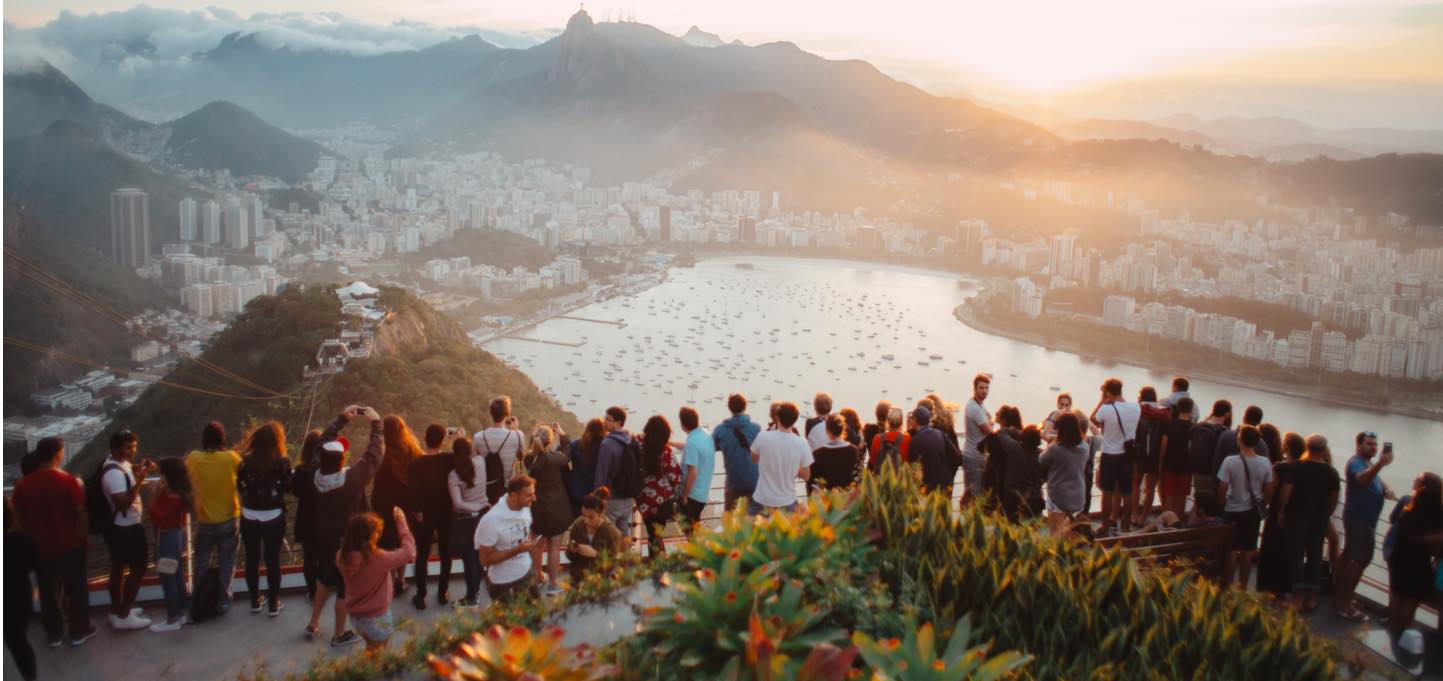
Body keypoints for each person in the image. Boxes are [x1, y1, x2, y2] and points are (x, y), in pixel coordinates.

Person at [306, 405, 384, 648]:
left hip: (325, 538)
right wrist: (376, 424)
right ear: (342, 460)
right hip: (348, 543)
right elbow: (374, 455)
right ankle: (339, 634)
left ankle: (313, 622)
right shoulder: (351, 479)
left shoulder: (315, 474)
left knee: (323, 579)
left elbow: (320, 445)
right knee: (343, 589)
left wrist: (340, 419)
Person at [11, 437, 97, 646]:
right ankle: (79, 630)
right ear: (58, 453)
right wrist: (84, 536)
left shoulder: (22, 486)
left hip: (39, 547)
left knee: (47, 591)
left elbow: (18, 521)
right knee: (76, 588)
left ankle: (54, 633)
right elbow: (80, 513)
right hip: (69, 543)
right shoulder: (67, 481)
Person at [1334, 431, 1396, 620]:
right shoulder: (1356, 462)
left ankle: (1339, 595)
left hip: (1363, 519)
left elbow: (1372, 477)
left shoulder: (1366, 462)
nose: (1374, 448)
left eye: (1375, 445)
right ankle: (1344, 604)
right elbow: (1361, 479)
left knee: (1349, 555)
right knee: (1362, 560)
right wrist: (1380, 464)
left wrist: (1385, 487)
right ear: (1359, 445)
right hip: (1360, 520)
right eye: (1369, 444)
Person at [1274, 434, 1339, 612]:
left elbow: (1285, 493)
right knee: (1315, 558)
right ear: (1323, 449)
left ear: (1307, 447)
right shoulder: (1331, 472)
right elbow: (1334, 499)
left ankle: (1296, 599)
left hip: (1296, 518)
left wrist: (1281, 512)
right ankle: (1311, 600)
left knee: (1296, 557)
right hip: (1319, 521)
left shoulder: (1296, 467)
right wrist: (1326, 515)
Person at [338, 508, 416, 653]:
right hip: (377, 618)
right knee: (379, 652)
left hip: (356, 617)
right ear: (368, 537)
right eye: (376, 532)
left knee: (371, 648)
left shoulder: (342, 556)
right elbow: (409, 552)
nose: (378, 535)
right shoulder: (377, 559)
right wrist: (402, 524)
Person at [237, 421, 293, 616]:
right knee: (272, 560)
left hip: (249, 516)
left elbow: (240, 487)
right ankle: (273, 603)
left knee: (252, 559)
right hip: (273, 517)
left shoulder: (245, 461)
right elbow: (288, 487)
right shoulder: (281, 461)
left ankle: (255, 600)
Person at [187, 421, 243, 615]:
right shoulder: (231, 458)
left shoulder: (193, 458)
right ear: (222, 439)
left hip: (205, 521)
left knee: (201, 563)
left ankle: (199, 600)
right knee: (227, 562)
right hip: (229, 519)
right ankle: (222, 601)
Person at [101, 429, 155, 630]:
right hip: (127, 527)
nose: (132, 451)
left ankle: (117, 610)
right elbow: (123, 503)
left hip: (121, 527)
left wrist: (137, 468)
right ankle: (124, 615)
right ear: (115, 449)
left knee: (119, 567)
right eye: (127, 447)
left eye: (134, 446)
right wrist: (141, 478)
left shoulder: (116, 464)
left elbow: (126, 467)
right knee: (138, 568)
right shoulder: (114, 474)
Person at [1215, 425, 1275, 590]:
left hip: (1233, 509)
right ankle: (1242, 588)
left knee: (1232, 550)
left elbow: (1222, 488)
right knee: (1248, 549)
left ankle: (1226, 586)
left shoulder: (1230, 461)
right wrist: (1263, 504)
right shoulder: (1265, 463)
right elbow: (1269, 489)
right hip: (1253, 512)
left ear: (1240, 440)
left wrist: (1223, 506)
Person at [1385, 473, 1443, 636]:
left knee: (1397, 595)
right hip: (1419, 560)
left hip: (1400, 555)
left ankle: (1391, 631)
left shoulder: (1408, 509)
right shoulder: (1438, 514)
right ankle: (1401, 632)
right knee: (1411, 598)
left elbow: (1398, 526)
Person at [476, 475, 545, 603]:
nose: (534, 499)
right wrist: (518, 550)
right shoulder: (491, 521)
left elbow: (524, 535)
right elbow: (484, 560)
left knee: (536, 619)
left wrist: (536, 569)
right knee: (508, 623)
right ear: (513, 496)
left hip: (527, 573)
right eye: (529, 495)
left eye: (533, 493)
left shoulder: (525, 508)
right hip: (502, 583)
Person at [407, 424, 454, 609]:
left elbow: (412, 492)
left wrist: (417, 511)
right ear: (442, 441)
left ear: (425, 439)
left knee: (422, 555)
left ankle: (421, 595)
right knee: (445, 554)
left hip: (424, 514)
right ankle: (442, 592)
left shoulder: (416, 463)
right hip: (446, 512)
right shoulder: (449, 459)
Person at [521, 424, 572, 594]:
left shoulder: (529, 459)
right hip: (556, 506)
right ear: (549, 442)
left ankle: (538, 576)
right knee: (554, 546)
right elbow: (568, 454)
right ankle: (553, 584)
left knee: (537, 544)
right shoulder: (553, 458)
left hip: (537, 506)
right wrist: (563, 435)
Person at [376, 415, 422, 597]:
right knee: (403, 541)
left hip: (385, 505)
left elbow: (378, 483)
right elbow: (416, 480)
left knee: (388, 545)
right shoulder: (412, 450)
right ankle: (401, 581)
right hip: (405, 507)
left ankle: (391, 581)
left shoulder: (381, 452)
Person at [1255, 431, 1304, 596]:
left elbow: (1271, 490)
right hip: (1296, 514)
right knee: (1288, 551)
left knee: (1271, 547)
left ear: (1287, 448)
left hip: (1277, 512)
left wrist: (1267, 506)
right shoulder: (1303, 468)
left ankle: (1267, 585)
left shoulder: (1280, 467)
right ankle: (1284, 586)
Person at [149, 457, 194, 632]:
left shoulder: (169, 497)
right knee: (177, 575)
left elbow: (155, 516)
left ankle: (172, 618)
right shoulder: (180, 494)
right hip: (178, 535)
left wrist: (153, 496)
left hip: (167, 538)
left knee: (167, 578)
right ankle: (182, 612)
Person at [1090, 378, 1140, 534]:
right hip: (1127, 456)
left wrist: (1102, 400)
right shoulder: (1135, 407)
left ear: (1107, 391)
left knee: (1107, 492)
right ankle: (1126, 526)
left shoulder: (1106, 409)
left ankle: (1105, 526)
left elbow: (1093, 420)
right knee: (1127, 493)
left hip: (1110, 455)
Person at [749, 402, 812, 515]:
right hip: (787, 501)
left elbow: (754, 459)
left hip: (762, 499)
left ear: (777, 417)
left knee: (749, 531)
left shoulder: (763, 437)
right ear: (795, 420)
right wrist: (792, 466)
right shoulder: (802, 443)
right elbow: (806, 476)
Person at [447, 437, 489, 608]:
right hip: (482, 516)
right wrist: (480, 505)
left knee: (469, 559)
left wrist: (473, 506)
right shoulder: (480, 461)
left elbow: (457, 503)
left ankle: (472, 597)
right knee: (478, 555)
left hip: (466, 520)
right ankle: (476, 591)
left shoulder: (454, 475)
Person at [636, 415, 683, 560]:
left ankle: (657, 563)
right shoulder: (666, 451)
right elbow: (676, 477)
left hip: (643, 498)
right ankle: (657, 565)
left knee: (652, 533)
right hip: (662, 500)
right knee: (656, 534)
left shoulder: (637, 444)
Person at [1039, 411, 1088, 537]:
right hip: (1078, 497)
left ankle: (1056, 553)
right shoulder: (1085, 447)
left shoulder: (1056, 449)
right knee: (1066, 530)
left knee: (1054, 532)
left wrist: (1054, 440)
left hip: (1059, 497)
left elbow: (1041, 459)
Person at [5, 496, 38, 679]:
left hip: (16, 596)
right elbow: (34, 566)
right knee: (18, 642)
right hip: (18, 597)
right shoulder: (21, 540)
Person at [595, 406, 637, 540]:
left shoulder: (607, 444)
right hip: (628, 496)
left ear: (618, 423)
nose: (604, 421)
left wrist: (597, 496)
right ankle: (625, 560)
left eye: (608, 419)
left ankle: (611, 561)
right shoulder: (630, 438)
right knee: (624, 531)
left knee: (608, 535)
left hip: (612, 498)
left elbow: (601, 473)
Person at [715, 394, 762, 511]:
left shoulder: (720, 430)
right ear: (745, 407)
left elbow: (713, 446)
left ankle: (729, 528)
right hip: (753, 479)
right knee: (752, 517)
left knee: (729, 514)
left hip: (733, 480)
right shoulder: (756, 428)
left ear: (729, 407)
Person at [474, 396, 525, 504]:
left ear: (491, 413)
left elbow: (475, 462)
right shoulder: (518, 435)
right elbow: (521, 457)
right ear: (507, 414)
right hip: (507, 491)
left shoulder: (478, 437)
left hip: (485, 491)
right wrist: (515, 430)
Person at [565, 489, 625, 582]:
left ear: (601, 514)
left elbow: (614, 565)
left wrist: (596, 554)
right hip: (577, 580)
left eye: (591, 517)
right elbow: (569, 556)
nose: (586, 521)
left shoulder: (612, 533)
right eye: (584, 515)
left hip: (600, 583)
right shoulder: (577, 526)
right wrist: (572, 550)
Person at [293, 429, 324, 603]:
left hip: (306, 517)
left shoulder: (300, 471)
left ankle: (312, 591)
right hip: (324, 516)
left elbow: (296, 492)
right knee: (325, 554)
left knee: (309, 556)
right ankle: (325, 587)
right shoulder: (326, 470)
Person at [1131, 386, 1170, 527]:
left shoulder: (1137, 411)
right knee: (1150, 489)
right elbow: (1165, 440)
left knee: (1135, 485)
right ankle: (1144, 517)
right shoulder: (1164, 414)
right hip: (1155, 457)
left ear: (1141, 396)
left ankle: (1134, 514)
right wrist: (1161, 460)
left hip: (1139, 455)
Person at [909, 406, 962, 498]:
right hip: (945, 484)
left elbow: (913, 467)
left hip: (928, 488)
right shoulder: (939, 434)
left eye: (912, 418)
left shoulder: (915, 441)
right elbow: (956, 458)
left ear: (916, 420)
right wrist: (949, 475)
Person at [1188, 400, 1231, 513]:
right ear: (1227, 414)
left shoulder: (1199, 426)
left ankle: (1191, 526)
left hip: (1197, 471)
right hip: (1213, 475)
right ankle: (1197, 527)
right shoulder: (1225, 432)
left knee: (1198, 501)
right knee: (1208, 507)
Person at [678, 406, 715, 533]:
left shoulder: (692, 443)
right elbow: (692, 449)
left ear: (683, 425)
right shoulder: (706, 435)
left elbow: (692, 472)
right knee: (694, 528)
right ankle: (699, 551)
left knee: (689, 531)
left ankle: (698, 552)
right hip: (703, 493)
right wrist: (670, 443)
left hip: (692, 495)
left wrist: (684, 496)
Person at [1156, 397, 1195, 519]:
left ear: (1177, 408)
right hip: (1186, 466)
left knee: (1169, 495)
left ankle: (1167, 522)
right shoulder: (1194, 427)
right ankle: (1177, 523)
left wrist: (1160, 463)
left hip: (1170, 464)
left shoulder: (1170, 424)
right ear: (1191, 410)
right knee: (1182, 496)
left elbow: (1164, 445)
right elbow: (1192, 448)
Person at [961, 374, 995, 507]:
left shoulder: (978, 404)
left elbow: (989, 419)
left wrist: (991, 420)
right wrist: (992, 422)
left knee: (970, 492)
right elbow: (990, 432)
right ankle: (970, 522)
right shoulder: (974, 408)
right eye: (981, 388)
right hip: (974, 457)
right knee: (975, 493)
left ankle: (963, 520)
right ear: (974, 388)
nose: (985, 391)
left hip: (975, 455)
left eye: (987, 388)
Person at [811, 414, 861, 491]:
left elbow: (813, 482)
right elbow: (857, 476)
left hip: (826, 499)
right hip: (847, 497)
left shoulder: (818, 454)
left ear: (827, 430)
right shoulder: (853, 450)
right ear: (843, 429)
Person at [567, 418, 605, 515]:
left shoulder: (576, 444)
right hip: (594, 490)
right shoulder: (604, 446)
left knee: (579, 521)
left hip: (576, 489)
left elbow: (563, 455)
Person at [869, 407, 911, 473]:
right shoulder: (907, 438)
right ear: (902, 422)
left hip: (882, 477)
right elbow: (908, 462)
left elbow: (873, 461)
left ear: (888, 421)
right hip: (900, 479)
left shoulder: (877, 438)